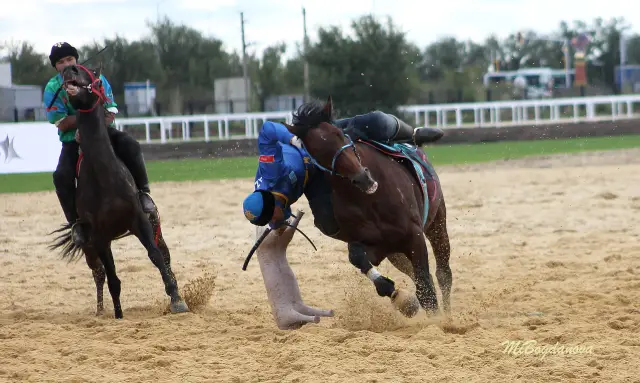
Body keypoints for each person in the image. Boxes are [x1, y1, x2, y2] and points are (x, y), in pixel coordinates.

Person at [242, 104, 443, 236]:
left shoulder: (271, 172)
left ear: (271, 203)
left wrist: (294, 139)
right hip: (314, 177)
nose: (272, 223)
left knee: (376, 121)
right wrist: (278, 225)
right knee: (327, 224)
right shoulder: (272, 206)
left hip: (313, 145)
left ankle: (413, 134)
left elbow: (267, 129)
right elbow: (279, 219)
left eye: (271, 219)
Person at [43, 42, 156, 247]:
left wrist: (91, 126)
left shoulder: (96, 78)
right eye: (60, 62)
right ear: (56, 67)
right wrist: (86, 121)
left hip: (103, 135)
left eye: (69, 59)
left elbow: (110, 111)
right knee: (60, 176)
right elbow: (62, 122)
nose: (66, 64)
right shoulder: (52, 88)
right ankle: (77, 224)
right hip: (72, 142)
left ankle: (143, 194)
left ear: (76, 59)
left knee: (131, 145)